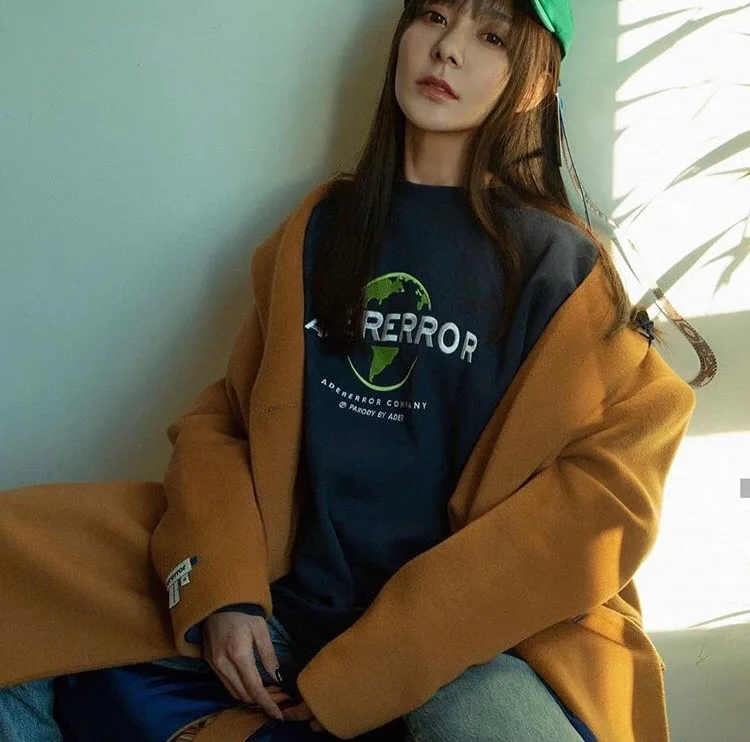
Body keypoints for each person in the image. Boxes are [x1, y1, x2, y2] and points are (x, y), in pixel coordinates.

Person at [0, 1, 697, 740]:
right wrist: (225, 594)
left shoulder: (561, 269)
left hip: (465, 643)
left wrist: (375, 666)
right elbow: (226, 424)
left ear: (532, 86)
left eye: (491, 35)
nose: (448, 48)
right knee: (21, 563)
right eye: (433, 15)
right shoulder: (321, 228)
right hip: (289, 600)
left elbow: (597, 505)